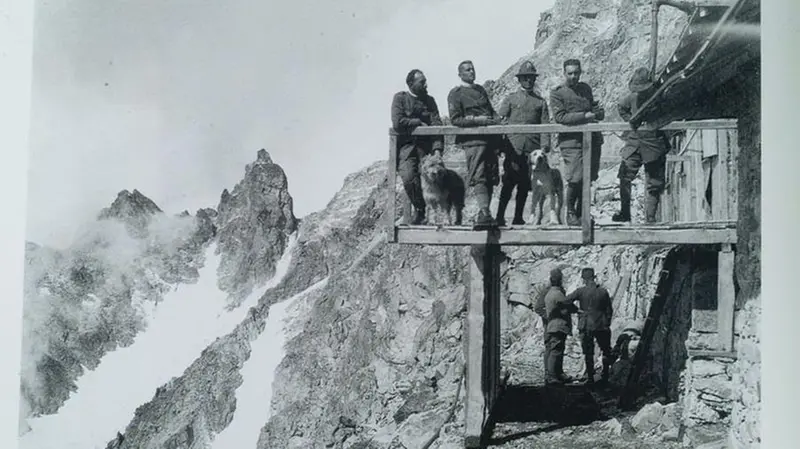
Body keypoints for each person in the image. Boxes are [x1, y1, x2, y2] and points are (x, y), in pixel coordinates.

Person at [496, 60, 552, 226]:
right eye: (525, 78)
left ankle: (518, 217)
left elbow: (545, 125)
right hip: (514, 150)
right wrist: (501, 145)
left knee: (524, 185)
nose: (528, 81)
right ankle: (499, 216)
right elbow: (500, 121)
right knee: (508, 183)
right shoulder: (511, 99)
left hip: (531, 151)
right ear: (519, 80)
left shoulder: (540, 102)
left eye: (531, 78)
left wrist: (545, 145)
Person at [447, 60, 503, 228]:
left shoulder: (480, 90)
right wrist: (477, 120)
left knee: (491, 175)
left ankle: (486, 213)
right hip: (473, 140)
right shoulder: (455, 94)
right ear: (460, 74)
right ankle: (484, 211)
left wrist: (497, 121)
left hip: (490, 139)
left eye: (473, 69)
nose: (472, 72)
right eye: (467, 70)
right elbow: (456, 119)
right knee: (479, 175)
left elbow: (491, 111)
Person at [550, 59, 605, 226]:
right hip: (571, 142)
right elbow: (561, 117)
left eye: (576, 73)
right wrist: (585, 116)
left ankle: (583, 214)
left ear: (580, 72)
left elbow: (592, 109)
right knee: (576, 177)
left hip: (591, 140)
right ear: (564, 73)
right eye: (570, 73)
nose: (574, 76)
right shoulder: (557, 93)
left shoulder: (585, 89)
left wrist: (597, 112)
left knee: (589, 177)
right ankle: (571, 213)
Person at [614, 67, 672, 223]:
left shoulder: (660, 96)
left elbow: (668, 113)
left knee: (655, 182)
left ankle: (650, 218)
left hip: (654, 142)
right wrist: (631, 121)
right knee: (624, 175)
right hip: (634, 142)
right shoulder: (632, 98)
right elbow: (621, 107)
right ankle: (625, 213)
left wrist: (656, 123)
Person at [391, 69, 445, 225]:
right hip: (406, 149)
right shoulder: (400, 99)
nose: (425, 84)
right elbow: (398, 122)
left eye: (425, 81)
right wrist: (418, 123)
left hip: (426, 149)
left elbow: (437, 125)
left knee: (436, 178)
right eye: (422, 82)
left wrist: (437, 150)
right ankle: (420, 210)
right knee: (408, 177)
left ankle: (438, 216)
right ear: (411, 84)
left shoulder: (430, 101)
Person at [568, 267, 613, 385]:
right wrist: (607, 321)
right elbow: (609, 309)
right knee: (606, 351)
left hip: (586, 324)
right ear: (594, 277)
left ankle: (590, 378)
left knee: (588, 352)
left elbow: (565, 301)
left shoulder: (580, 291)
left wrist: (576, 310)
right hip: (602, 325)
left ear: (583, 279)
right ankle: (605, 377)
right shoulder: (603, 291)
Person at [544, 267, 578, 385]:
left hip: (553, 325)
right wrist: (578, 310)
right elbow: (568, 305)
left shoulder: (550, 293)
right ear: (559, 280)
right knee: (556, 351)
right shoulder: (557, 294)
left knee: (557, 350)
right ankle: (553, 376)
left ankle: (558, 374)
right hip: (558, 326)